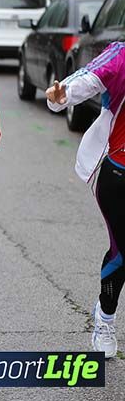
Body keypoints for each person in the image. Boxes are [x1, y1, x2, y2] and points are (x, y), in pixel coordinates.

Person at [45, 41, 125, 358]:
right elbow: (87, 78)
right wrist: (62, 93)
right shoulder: (121, 55)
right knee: (123, 251)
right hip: (118, 172)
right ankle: (105, 318)